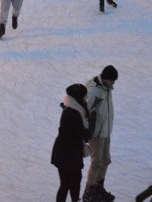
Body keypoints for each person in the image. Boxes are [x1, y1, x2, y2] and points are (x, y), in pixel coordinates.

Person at [81, 65, 118, 202]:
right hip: (97, 133)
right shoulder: (96, 91)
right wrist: (87, 131)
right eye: (113, 80)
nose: (114, 83)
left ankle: (98, 188)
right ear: (107, 78)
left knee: (106, 160)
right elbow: (86, 111)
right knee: (97, 162)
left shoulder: (106, 89)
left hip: (106, 131)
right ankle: (89, 193)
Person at [51, 83, 91, 202]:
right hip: (65, 153)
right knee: (66, 183)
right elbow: (84, 134)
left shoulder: (76, 109)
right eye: (84, 96)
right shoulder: (72, 113)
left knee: (75, 180)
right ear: (79, 97)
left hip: (72, 152)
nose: (86, 98)